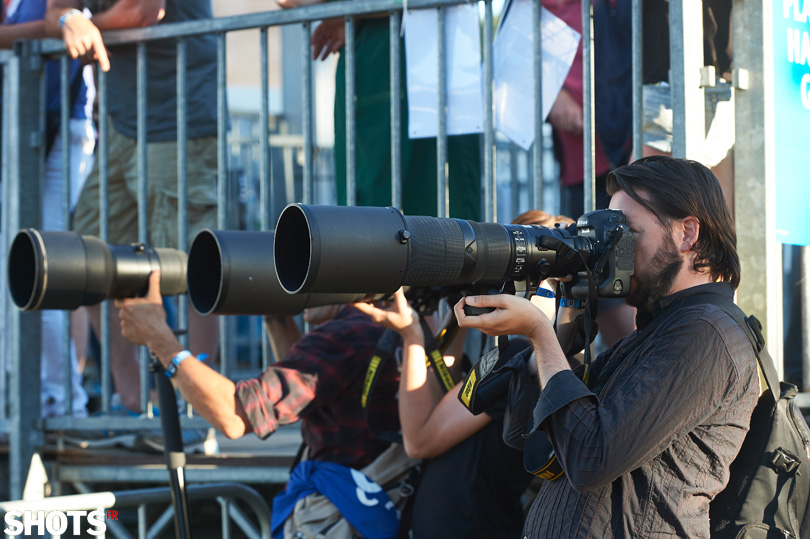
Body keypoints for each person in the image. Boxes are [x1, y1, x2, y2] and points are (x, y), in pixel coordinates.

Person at [454, 156, 760, 537]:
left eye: (626, 234)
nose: (614, 253)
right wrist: (563, 319)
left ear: (687, 234)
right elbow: (527, 436)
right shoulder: (654, 333)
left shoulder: (707, 334)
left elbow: (589, 457)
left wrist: (539, 335)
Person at [116, 272, 407, 534]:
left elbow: (236, 416)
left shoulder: (344, 336)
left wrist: (161, 340)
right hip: (383, 504)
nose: (300, 283)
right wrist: (271, 304)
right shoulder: (393, 326)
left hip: (345, 514)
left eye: (309, 269)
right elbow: (300, 386)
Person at [44, 0, 220, 414]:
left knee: (194, 262)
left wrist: (84, 26)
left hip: (176, 117)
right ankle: (134, 402)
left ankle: (200, 407)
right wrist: (71, 20)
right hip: (122, 124)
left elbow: (142, 11)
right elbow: (56, 12)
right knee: (92, 256)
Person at [277, 0, 482, 221]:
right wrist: (352, 10)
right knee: (370, 229)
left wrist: (352, 9)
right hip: (374, 77)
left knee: (449, 230)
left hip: (436, 74)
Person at [354, 288, 532, 539]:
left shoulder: (517, 360)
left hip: (471, 528)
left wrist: (412, 336)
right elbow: (440, 406)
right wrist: (456, 314)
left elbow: (418, 442)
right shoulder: (534, 360)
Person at [0, 0, 96, 418]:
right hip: (24, 127)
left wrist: (64, 21)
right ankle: (29, 396)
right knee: (21, 270)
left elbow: (62, 18)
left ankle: (61, 400)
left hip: (55, 130)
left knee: (42, 268)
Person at [546, 0, 632, 219]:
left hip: (634, 136)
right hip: (583, 152)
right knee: (589, 240)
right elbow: (513, 49)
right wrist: (550, 94)